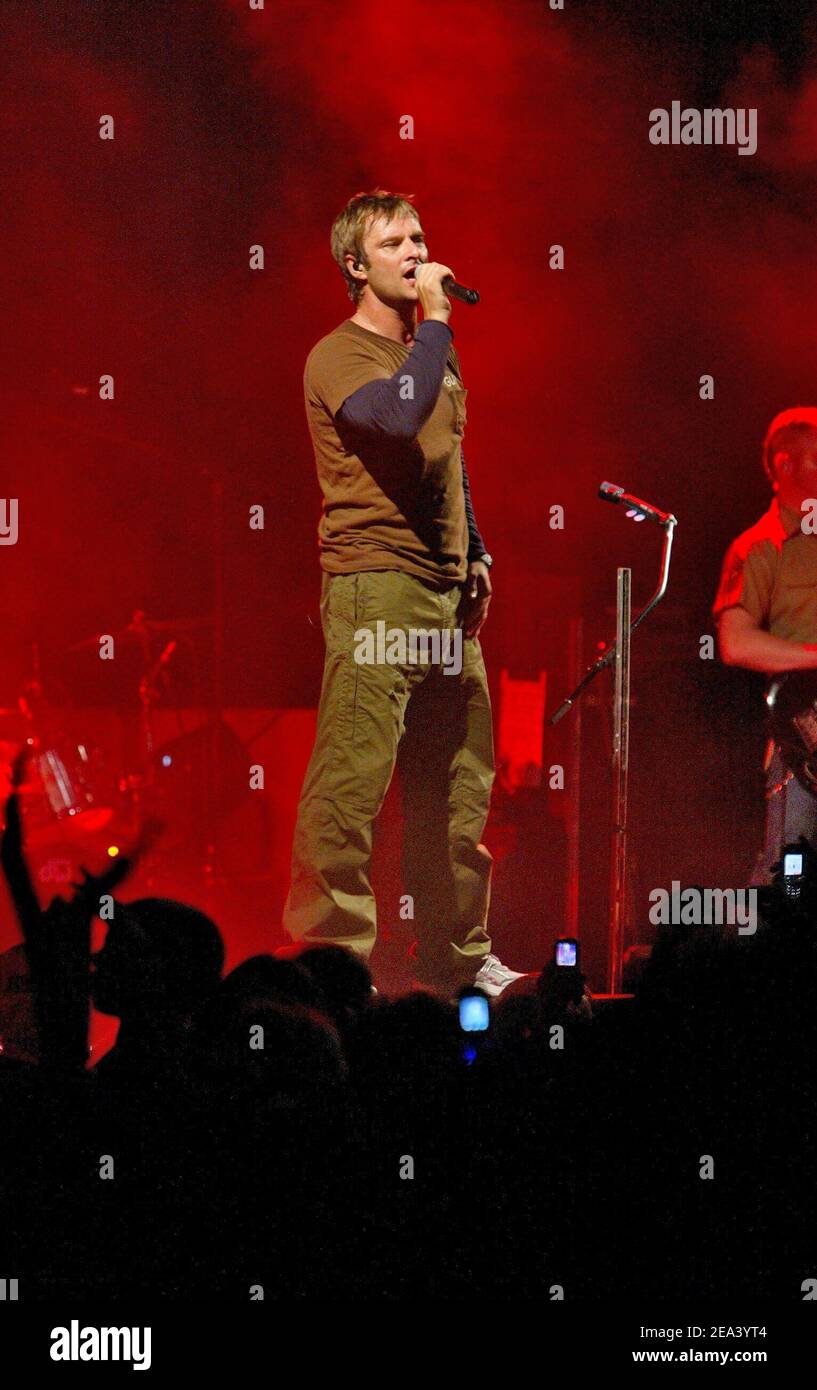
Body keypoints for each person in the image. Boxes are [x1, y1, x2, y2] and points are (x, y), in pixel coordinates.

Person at [283, 189, 523, 997]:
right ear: (355, 264)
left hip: (446, 597)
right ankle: (333, 964)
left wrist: (477, 551)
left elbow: (446, 456)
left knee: (459, 786)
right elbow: (395, 420)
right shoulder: (340, 356)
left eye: (421, 236)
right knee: (351, 782)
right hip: (375, 586)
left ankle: (460, 956)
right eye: (395, 243)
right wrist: (436, 324)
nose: (417, 252)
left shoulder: (432, 350)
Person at [714, 406, 817, 881]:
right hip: (802, 741)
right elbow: (735, 642)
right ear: (785, 465)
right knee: (790, 876)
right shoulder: (759, 547)